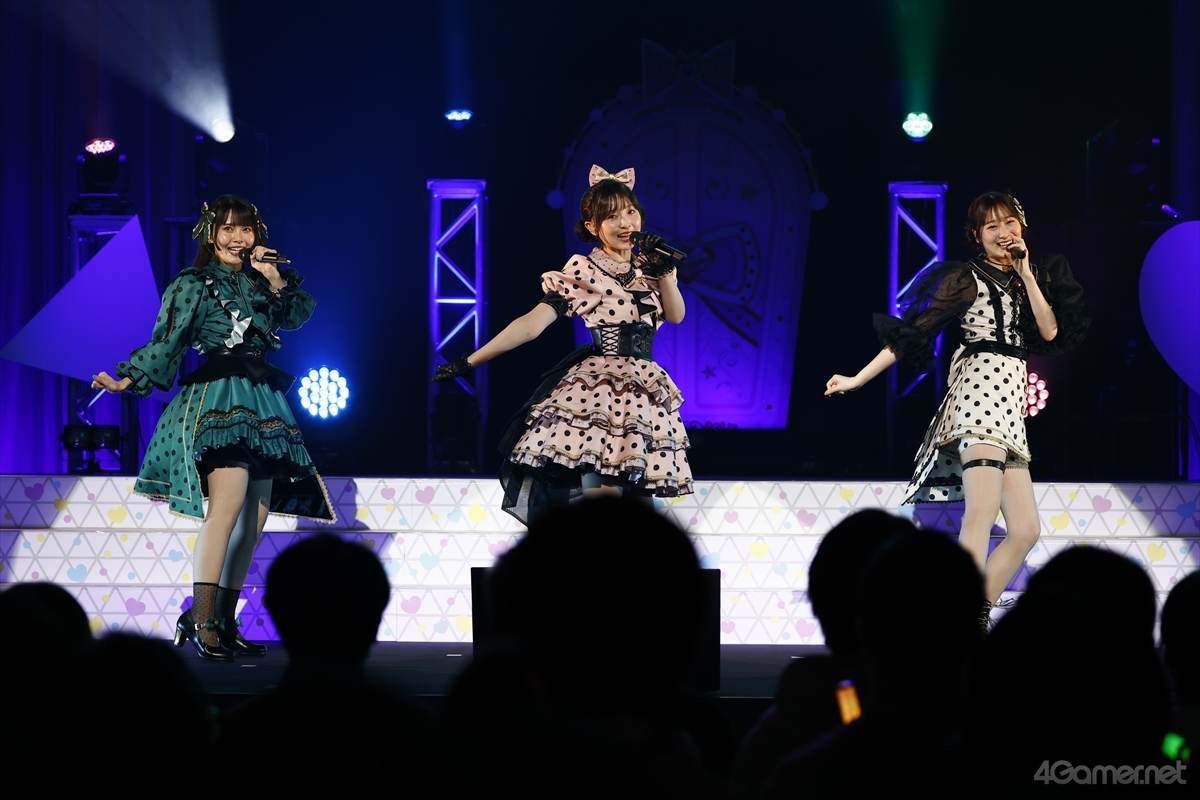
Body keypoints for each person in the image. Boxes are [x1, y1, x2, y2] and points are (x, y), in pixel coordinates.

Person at [824, 192, 1087, 625]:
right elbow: (915, 331)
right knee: (981, 512)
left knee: (1025, 530)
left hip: (1010, 407)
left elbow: (1050, 331)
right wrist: (857, 378)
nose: (1003, 233)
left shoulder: (1034, 275)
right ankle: (956, 617)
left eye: (1009, 223)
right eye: (991, 227)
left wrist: (1026, 273)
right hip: (978, 395)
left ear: (1022, 225)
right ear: (977, 236)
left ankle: (972, 612)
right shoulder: (966, 278)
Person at [91, 195, 334, 661]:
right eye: (227, 229)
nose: (237, 238)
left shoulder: (261, 280)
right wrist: (127, 378)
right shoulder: (194, 282)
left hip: (262, 400)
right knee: (226, 508)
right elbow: (168, 339)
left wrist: (273, 276)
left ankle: (223, 620)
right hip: (220, 398)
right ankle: (201, 620)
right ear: (210, 234)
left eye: (245, 229)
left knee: (255, 520)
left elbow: (294, 316)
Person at [433, 165, 693, 524]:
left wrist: (665, 273)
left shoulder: (652, 267)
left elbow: (676, 315)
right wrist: (469, 362)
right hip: (600, 393)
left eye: (630, 212)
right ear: (592, 227)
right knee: (602, 503)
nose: (625, 223)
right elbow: (530, 325)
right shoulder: (584, 271)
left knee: (639, 509)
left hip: (643, 393)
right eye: (611, 217)